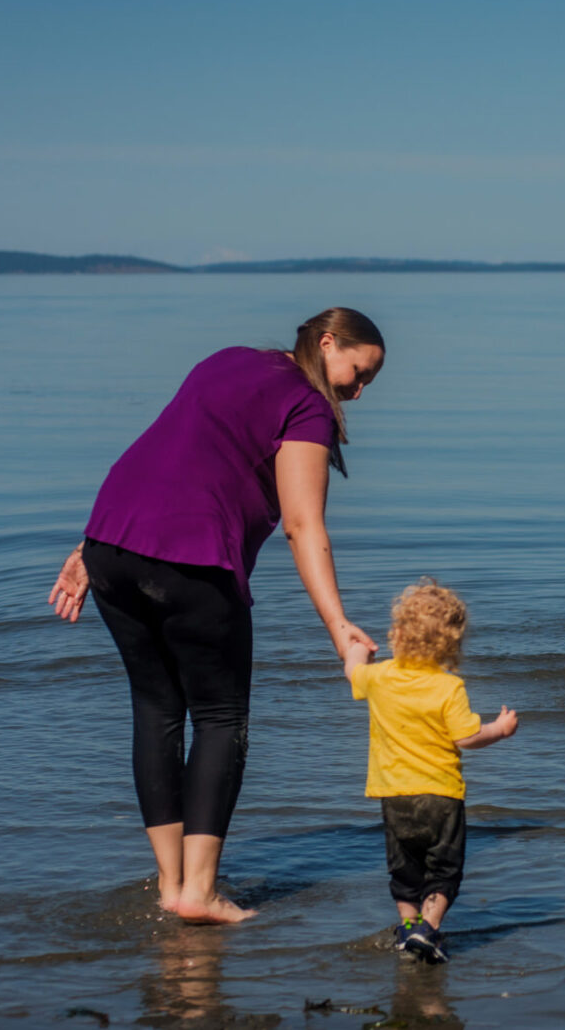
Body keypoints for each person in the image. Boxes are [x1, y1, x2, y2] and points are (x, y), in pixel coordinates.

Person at [47, 307, 385, 924]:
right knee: (221, 716)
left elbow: (166, 451)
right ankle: (199, 894)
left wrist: (88, 545)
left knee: (155, 710)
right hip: (191, 559)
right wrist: (339, 626)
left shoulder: (227, 359)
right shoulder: (307, 404)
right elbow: (304, 523)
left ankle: (172, 883)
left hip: (110, 543)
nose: (358, 393)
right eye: (357, 374)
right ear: (329, 343)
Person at [343, 579, 519, 964]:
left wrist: (355, 647)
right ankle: (428, 927)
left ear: (398, 633)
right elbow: (468, 736)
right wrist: (501, 730)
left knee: (404, 870)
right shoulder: (448, 686)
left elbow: (353, 671)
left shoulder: (379, 678)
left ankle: (409, 930)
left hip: (394, 795)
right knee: (444, 872)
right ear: (451, 643)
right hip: (441, 796)